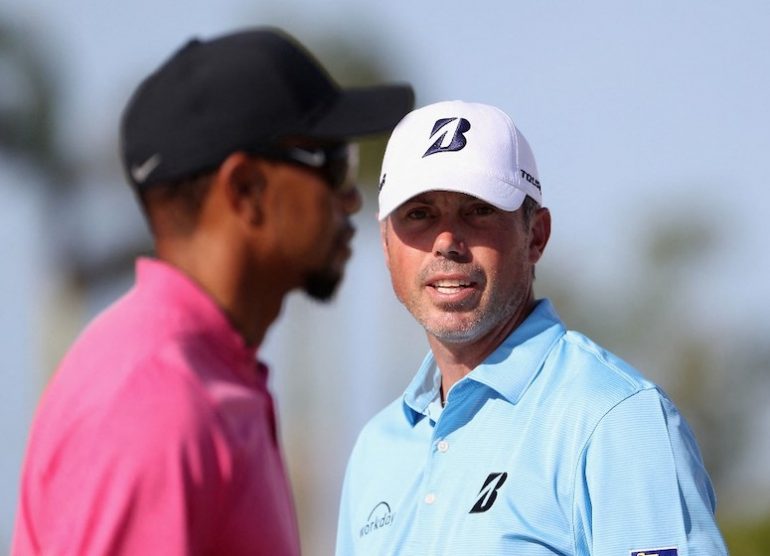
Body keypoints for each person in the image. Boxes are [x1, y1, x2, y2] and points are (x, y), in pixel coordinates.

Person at [13, 28, 413, 555]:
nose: (351, 200)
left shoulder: (204, 375)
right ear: (246, 189)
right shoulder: (155, 402)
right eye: (333, 164)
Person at [335, 100, 727, 555]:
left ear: (536, 235)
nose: (446, 241)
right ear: (386, 246)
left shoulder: (616, 419)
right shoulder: (376, 447)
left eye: (477, 210)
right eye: (419, 215)